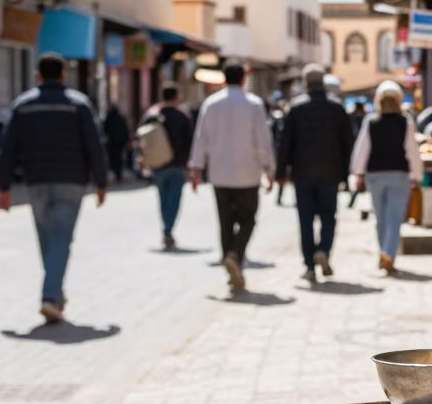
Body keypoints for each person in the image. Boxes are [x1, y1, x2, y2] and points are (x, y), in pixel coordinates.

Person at [0, 53, 108, 323]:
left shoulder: (23, 106)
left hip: (36, 182)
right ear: (63, 75)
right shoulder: (78, 104)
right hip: (72, 181)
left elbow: (7, 147)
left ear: (38, 76)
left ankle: (54, 294)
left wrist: (4, 185)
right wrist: (101, 182)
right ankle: (50, 296)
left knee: (48, 240)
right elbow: (95, 145)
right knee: (60, 241)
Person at [189, 60, 276, 292]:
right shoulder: (254, 104)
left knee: (225, 222)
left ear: (224, 79)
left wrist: (196, 167)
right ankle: (235, 256)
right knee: (248, 219)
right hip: (248, 174)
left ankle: (231, 259)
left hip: (219, 174)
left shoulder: (211, 104)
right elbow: (263, 141)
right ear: (243, 78)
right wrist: (269, 169)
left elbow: (201, 138)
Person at [276, 64, 353, 282]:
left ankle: (309, 265)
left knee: (306, 219)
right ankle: (324, 251)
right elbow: (348, 143)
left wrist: (281, 172)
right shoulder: (337, 108)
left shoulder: (296, 108)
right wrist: (346, 176)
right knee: (328, 217)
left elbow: (285, 143)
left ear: (306, 84)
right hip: (331, 173)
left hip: (303, 174)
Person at [351, 81, 422, 274]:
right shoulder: (405, 122)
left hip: (375, 175)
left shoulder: (371, 122)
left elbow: (362, 149)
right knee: (394, 217)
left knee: (380, 218)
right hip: (398, 174)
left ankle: (384, 252)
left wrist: (358, 173)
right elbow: (413, 151)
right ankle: (388, 254)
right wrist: (417, 174)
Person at [140, 85, 194, 249]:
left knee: (163, 199)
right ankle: (168, 228)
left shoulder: (152, 115)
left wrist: (144, 159)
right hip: (177, 165)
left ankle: (166, 227)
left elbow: (142, 138)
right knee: (174, 199)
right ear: (177, 97)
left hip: (158, 164)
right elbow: (190, 141)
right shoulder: (182, 116)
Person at [103, 105, 131, 182]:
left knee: (116, 159)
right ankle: (117, 174)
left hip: (114, 143)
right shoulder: (117, 118)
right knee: (117, 159)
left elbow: (104, 130)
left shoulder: (110, 118)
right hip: (116, 143)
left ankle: (117, 174)